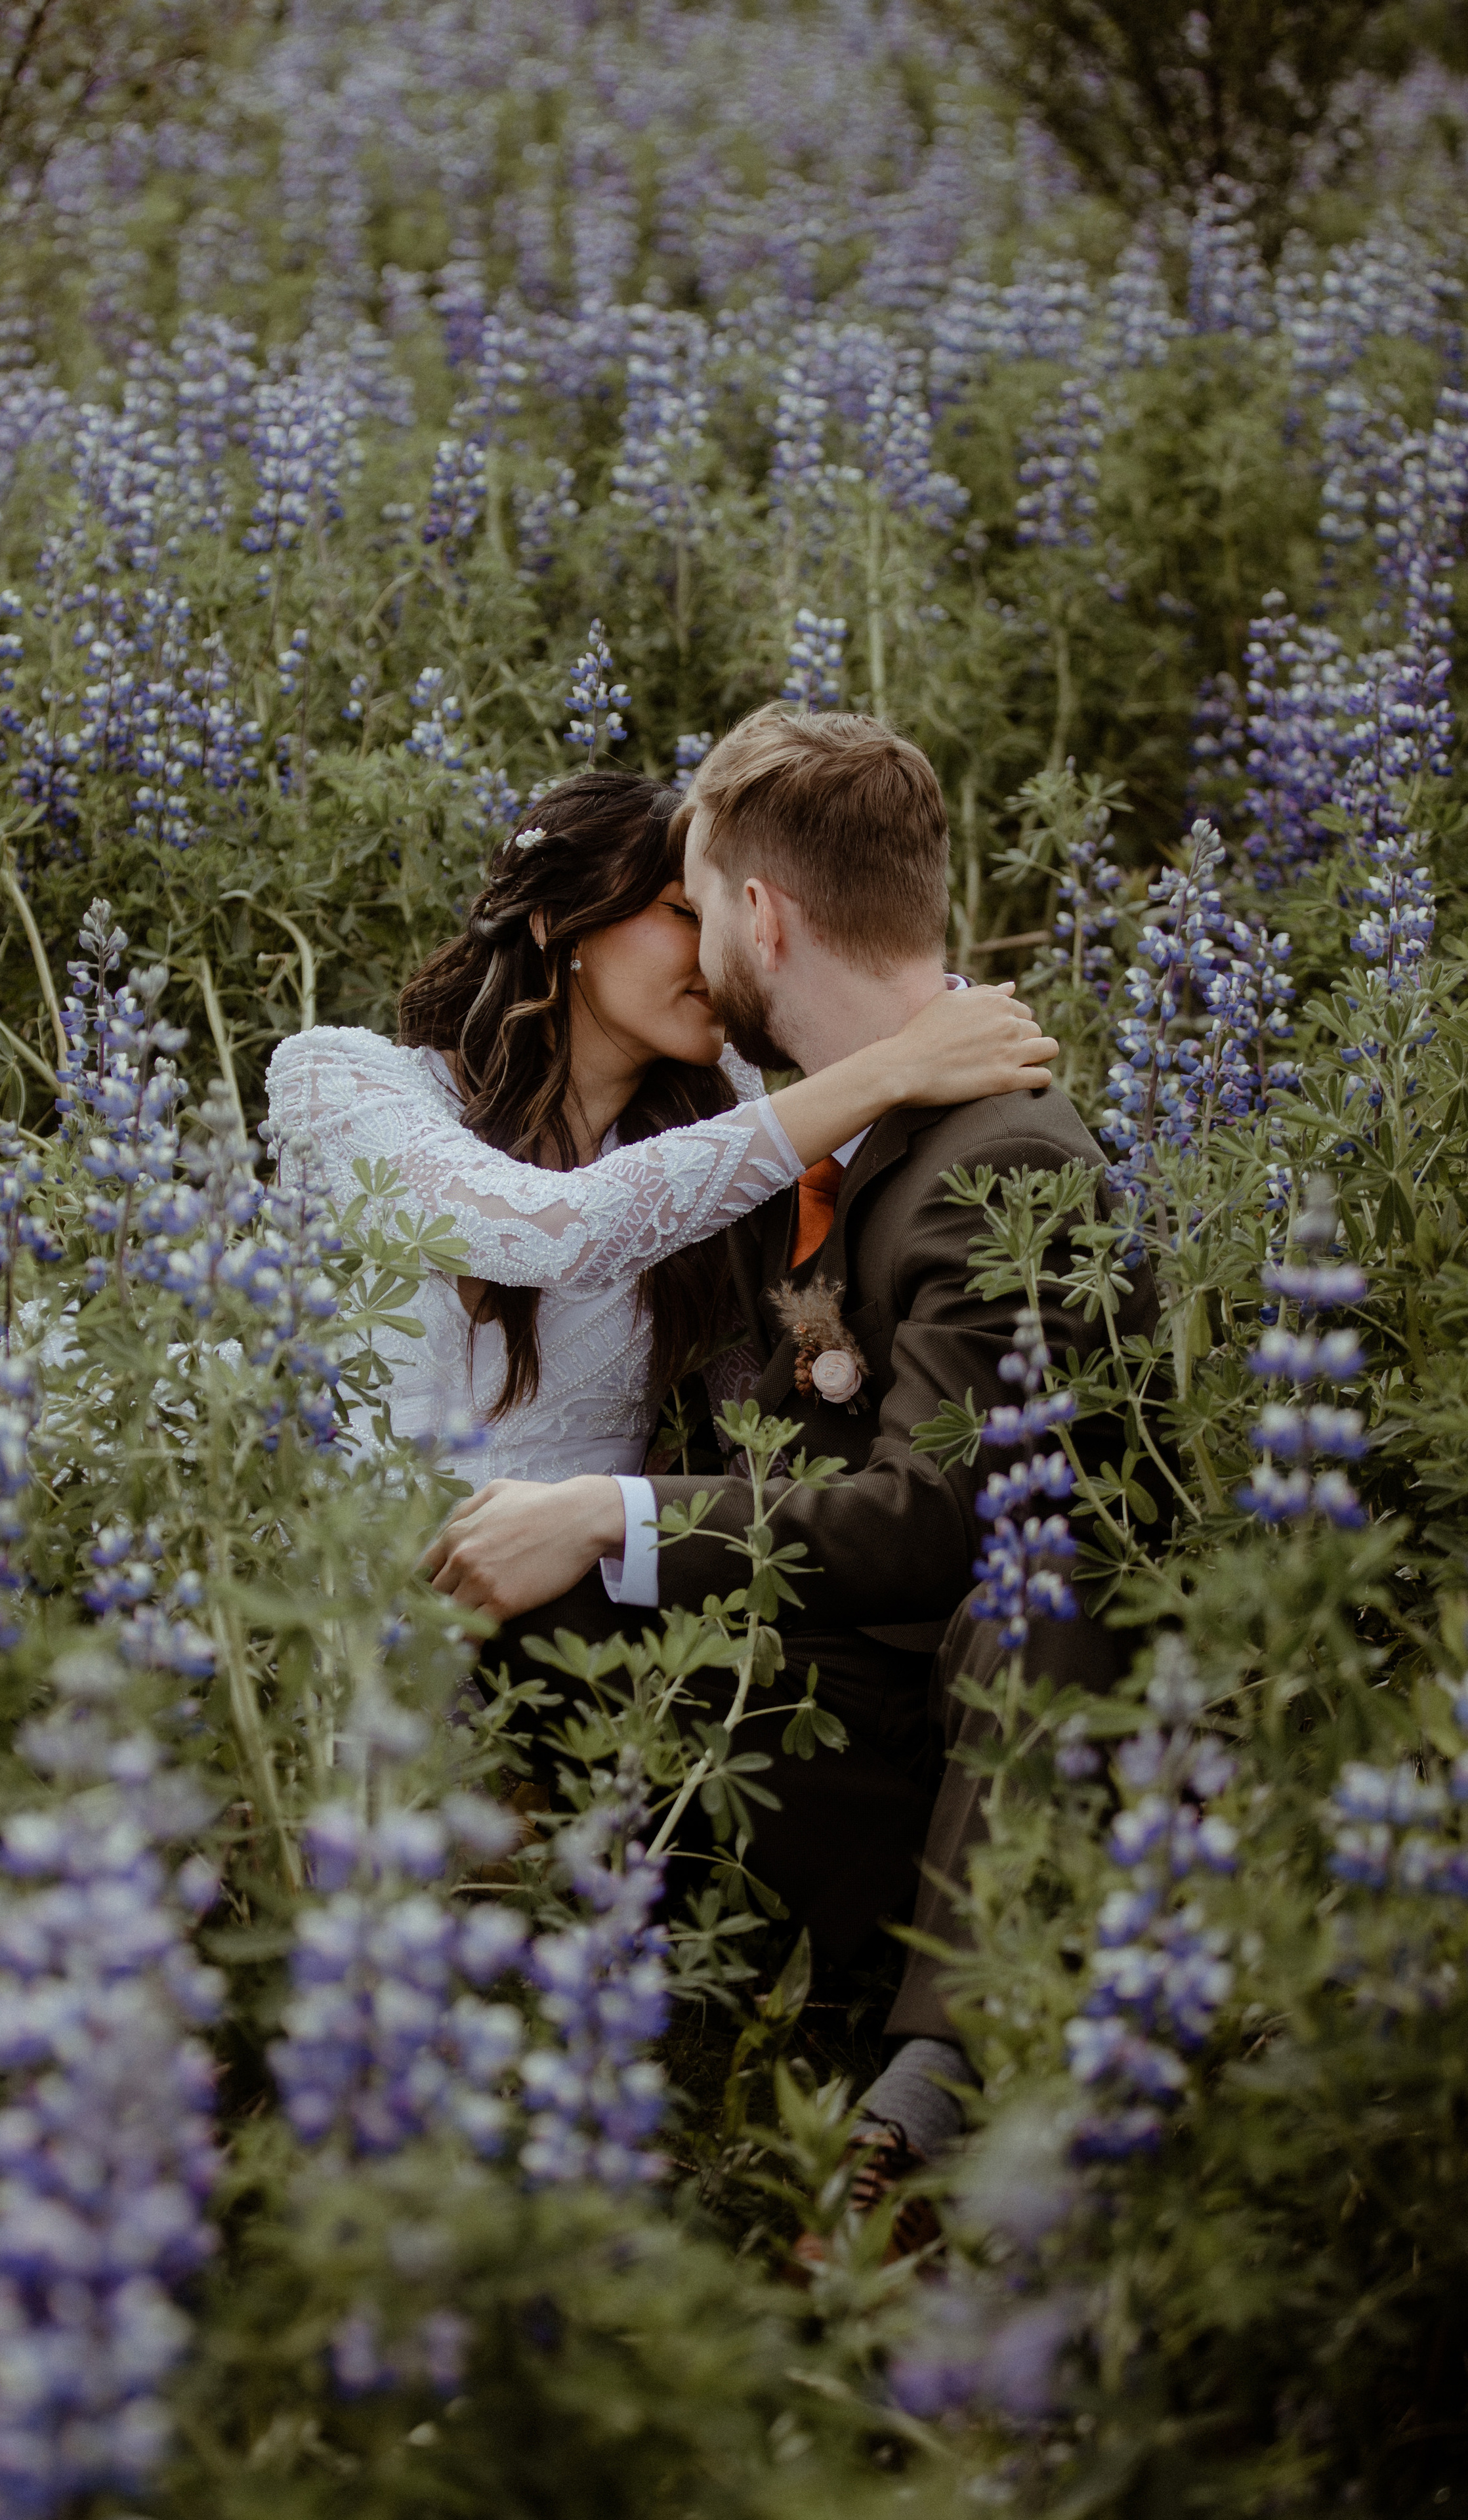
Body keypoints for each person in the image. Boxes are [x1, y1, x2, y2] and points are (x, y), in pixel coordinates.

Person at [420, 709, 1164, 2189]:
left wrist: (606, 1517)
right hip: (814, 1687)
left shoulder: (998, 1152)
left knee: (595, 1567)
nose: (694, 959)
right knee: (561, 1600)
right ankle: (622, 2012)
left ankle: (921, 2084)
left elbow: (938, 1515)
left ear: (760, 916)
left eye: (702, 914)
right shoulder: (785, 1134)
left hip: (950, 1715)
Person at [265, 768, 1057, 1491]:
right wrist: (894, 1065)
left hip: (562, 1629)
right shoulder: (342, 1086)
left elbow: (755, 1423)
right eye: (687, 914)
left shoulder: (720, 1126)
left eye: (727, 919)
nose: (723, 955)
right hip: (294, 1598)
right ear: (554, 920)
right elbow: (555, 1232)